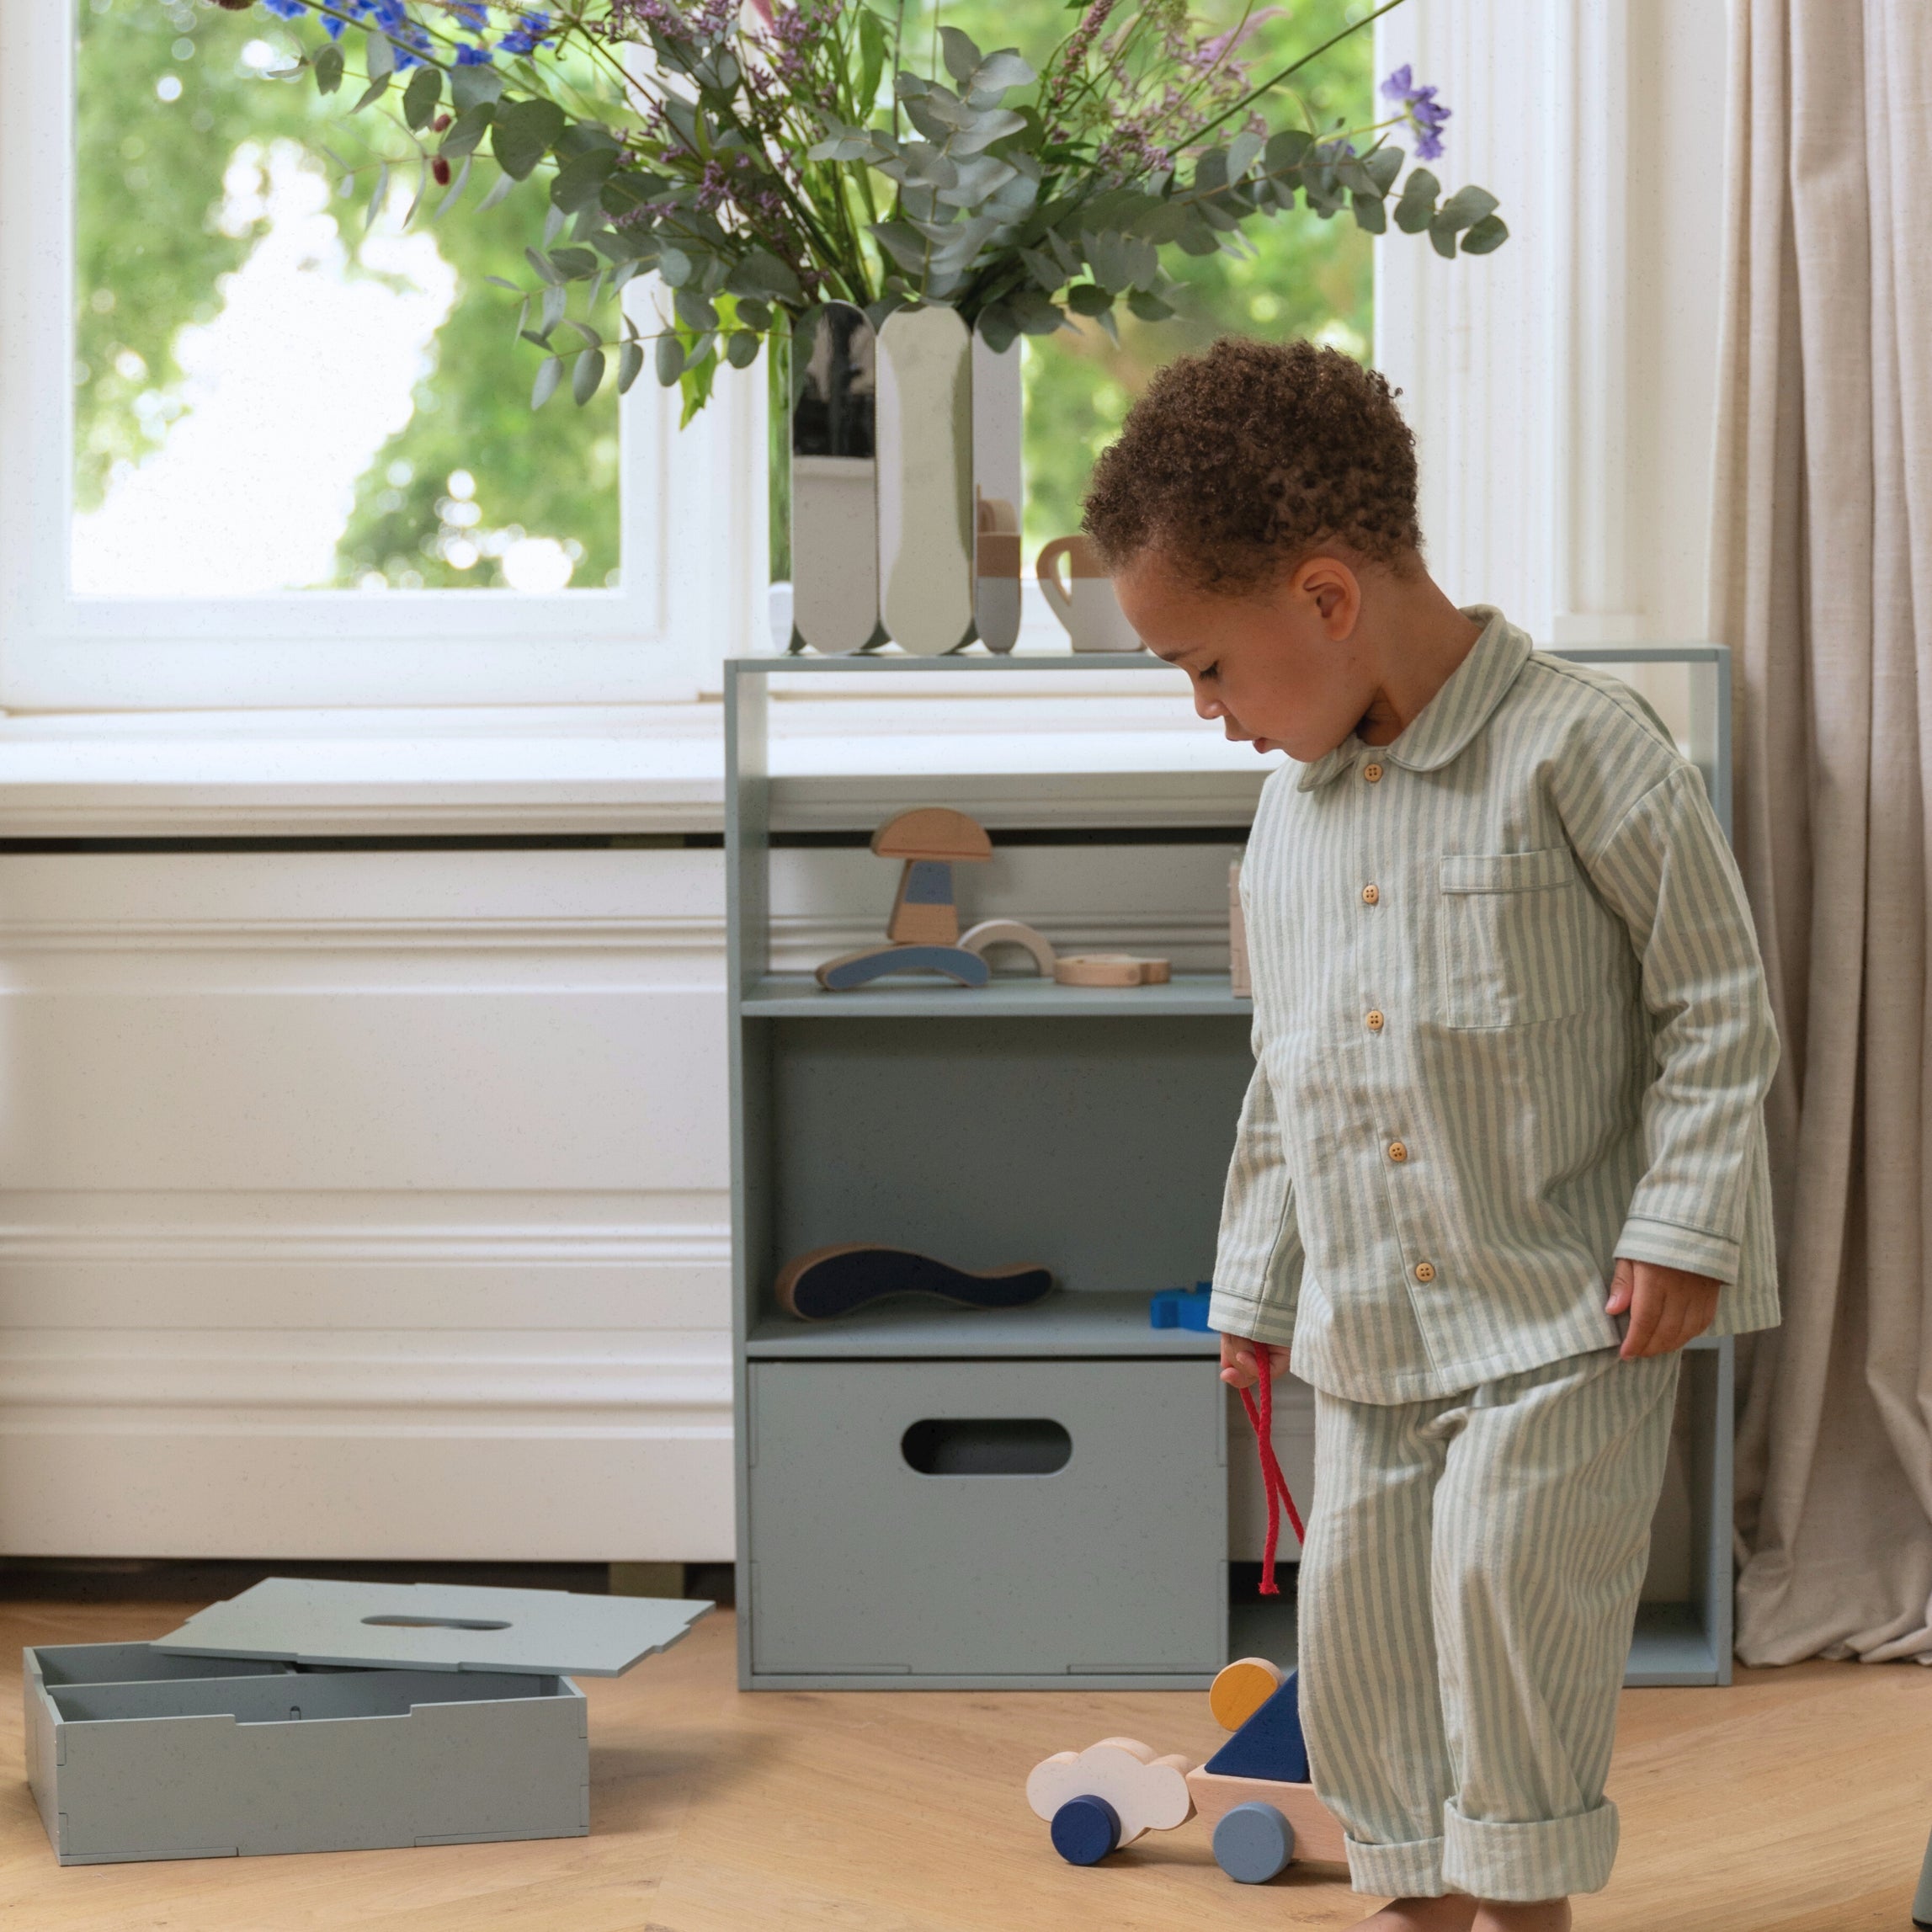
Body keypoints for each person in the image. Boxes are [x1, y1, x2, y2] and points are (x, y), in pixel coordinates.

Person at [1085, 337, 1780, 1932]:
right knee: (1367, 1628)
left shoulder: (1585, 753)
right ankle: (1412, 1891)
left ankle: (1520, 1896)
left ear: (1326, 601)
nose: (1207, 711)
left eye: (1207, 665)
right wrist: (1254, 1292)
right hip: (1371, 1334)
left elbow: (1717, 1006)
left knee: (1507, 1599)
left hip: (1559, 1319)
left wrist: (1684, 1226)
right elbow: (1291, 1074)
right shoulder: (1289, 818)